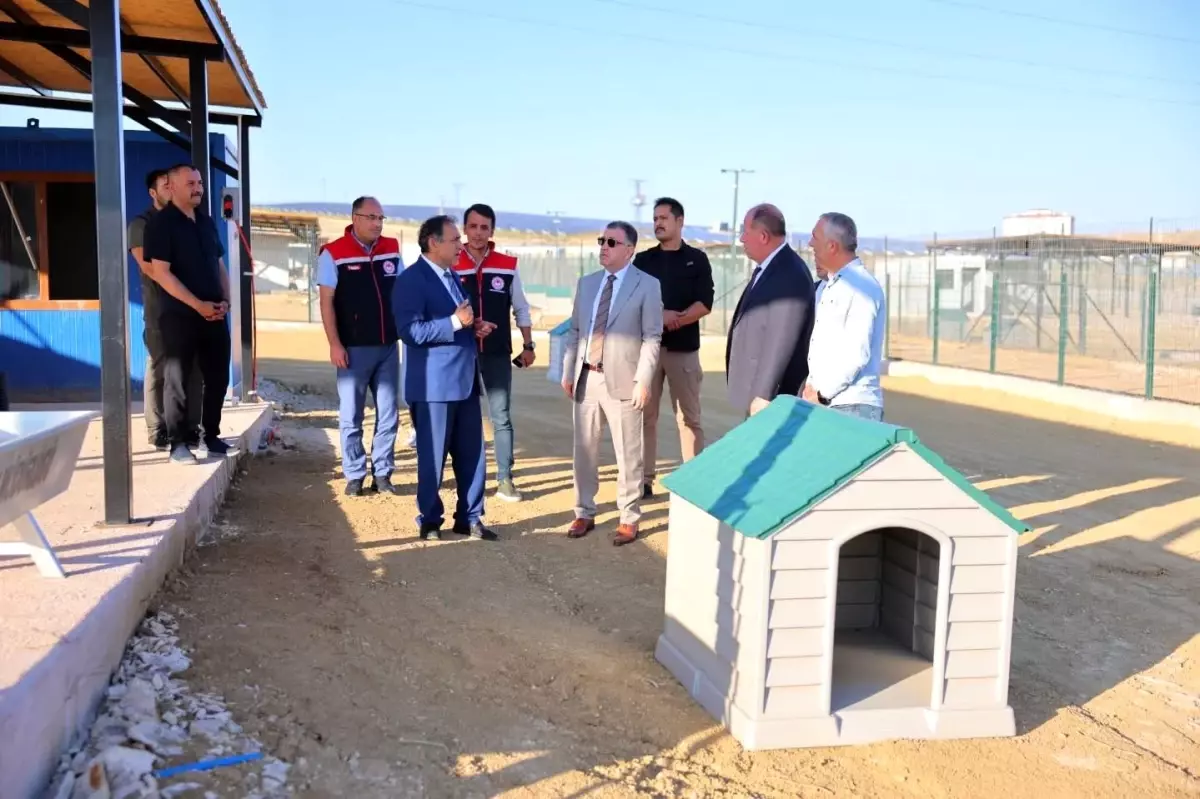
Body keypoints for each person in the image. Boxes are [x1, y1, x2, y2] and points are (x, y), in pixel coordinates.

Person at [393, 214, 497, 542]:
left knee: (473, 454)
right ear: (433, 243)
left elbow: (459, 320)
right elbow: (410, 332)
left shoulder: (452, 276)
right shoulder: (411, 280)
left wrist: (474, 326)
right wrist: (454, 322)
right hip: (433, 386)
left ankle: (470, 517)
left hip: (464, 381)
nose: (460, 245)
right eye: (454, 240)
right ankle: (430, 520)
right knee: (432, 456)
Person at [561, 222, 663, 547]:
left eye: (612, 242)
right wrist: (568, 370)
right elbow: (575, 331)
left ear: (629, 250)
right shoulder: (587, 283)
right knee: (584, 451)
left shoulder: (647, 285)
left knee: (628, 452)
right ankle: (584, 511)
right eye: (602, 240)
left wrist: (643, 380)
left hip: (624, 381)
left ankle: (629, 517)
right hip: (586, 377)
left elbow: (652, 337)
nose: (604, 247)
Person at [143, 163, 232, 464]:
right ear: (171, 187)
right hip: (179, 316)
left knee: (218, 377)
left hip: (214, 315)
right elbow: (161, 273)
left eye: (200, 183)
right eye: (190, 184)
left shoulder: (206, 222)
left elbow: (219, 264)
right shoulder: (160, 224)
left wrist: (226, 300)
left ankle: (212, 436)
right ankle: (178, 444)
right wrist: (197, 304)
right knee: (177, 379)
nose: (198, 189)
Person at [316, 196, 402, 497]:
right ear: (355, 218)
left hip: (388, 347)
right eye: (371, 217)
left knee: (388, 413)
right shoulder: (333, 253)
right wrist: (335, 344)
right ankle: (354, 474)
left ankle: (383, 474)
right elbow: (326, 302)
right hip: (353, 349)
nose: (378, 224)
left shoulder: (392, 248)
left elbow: (404, 290)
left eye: (381, 218)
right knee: (351, 415)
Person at [453, 203, 534, 502]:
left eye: (484, 227)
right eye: (473, 226)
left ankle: (505, 479)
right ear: (464, 229)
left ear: (492, 231)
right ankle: (468, 479)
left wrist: (528, 345)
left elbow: (521, 308)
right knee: (465, 418)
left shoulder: (507, 264)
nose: (478, 233)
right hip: (461, 353)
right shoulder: (451, 261)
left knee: (501, 416)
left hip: (497, 353)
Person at [633, 197, 713, 498]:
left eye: (664, 218)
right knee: (645, 416)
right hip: (649, 351)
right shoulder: (643, 261)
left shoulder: (697, 259)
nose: (658, 223)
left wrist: (674, 320)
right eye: (655, 218)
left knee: (689, 418)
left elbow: (704, 303)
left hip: (684, 352)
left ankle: (693, 480)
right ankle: (644, 480)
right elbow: (633, 302)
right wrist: (659, 317)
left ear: (680, 221)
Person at [128, 168, 201, 451]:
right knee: (160, 366)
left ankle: (191, 428)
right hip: (160, 308)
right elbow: (150, 268)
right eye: (165, 186)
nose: (171, 190)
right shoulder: (141, 225)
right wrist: (180, 282)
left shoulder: (186, 221)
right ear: (153, 192)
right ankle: (157, 428)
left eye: (173, 185)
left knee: (193, 368)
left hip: (191, 307)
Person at [724, 204, 815, 418]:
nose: (742, 239)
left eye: (746, 232)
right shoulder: (771, 269)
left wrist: (763, 394)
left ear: (763, 236)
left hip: (772, 398)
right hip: (758, 391)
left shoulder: (790, 274)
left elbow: (781, 339)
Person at [802, 212, 886, 421]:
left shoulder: (862, 287)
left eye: (815, 238)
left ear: (832, 246)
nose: (811, 244)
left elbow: (856, 355)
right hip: (825, 404)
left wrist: (822, 394)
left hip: (852, 407)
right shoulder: (828, 286)